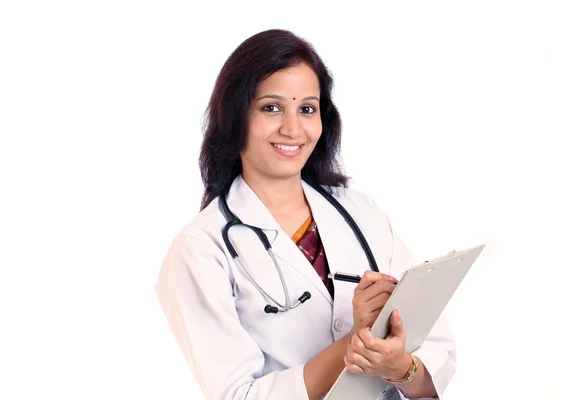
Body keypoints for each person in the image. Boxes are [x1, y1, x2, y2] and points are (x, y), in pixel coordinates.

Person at [155, 29, 456, 400]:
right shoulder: (201, 248)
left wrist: (400, 367)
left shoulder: (363, 214)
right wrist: (350, 344)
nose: (293, 129)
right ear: (235, 118)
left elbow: (437, 352)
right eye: (271, 107)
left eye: (307, 109)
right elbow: (237, 396)